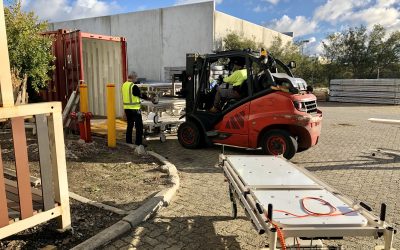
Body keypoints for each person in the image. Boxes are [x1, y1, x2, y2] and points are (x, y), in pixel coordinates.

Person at [122, 72, 144, 146]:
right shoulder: (133, 86)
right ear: (133, 78)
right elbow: (140, 95)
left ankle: (128, 142)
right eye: (136, 78)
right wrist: (150, 98)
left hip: (127, 109)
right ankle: (138, 143)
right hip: (135, 109)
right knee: (139, 127)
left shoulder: (124, 85)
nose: (136, 79)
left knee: (130, 125)